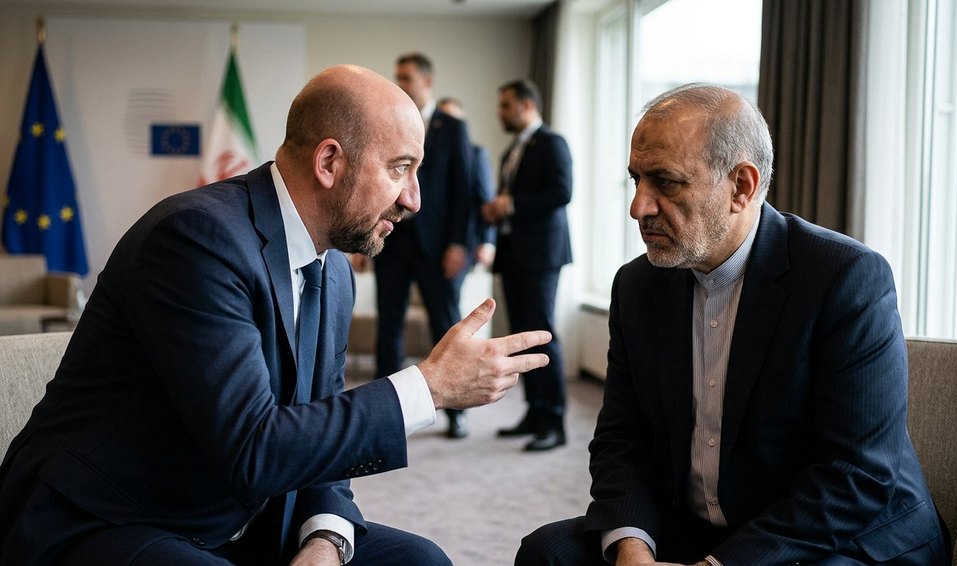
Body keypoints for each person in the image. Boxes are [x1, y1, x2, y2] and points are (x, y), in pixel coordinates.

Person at [0, 64, 552, 566]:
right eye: (400, 169)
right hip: (111, 519)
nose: (414, 199)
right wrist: (428, 387)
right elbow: (253, 449)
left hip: (241, 515)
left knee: (421, 561)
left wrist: (327, 540)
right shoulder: (196, 240)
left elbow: (324, 428)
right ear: (329, 162)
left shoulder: (334, 271)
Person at [516, 84, 950, 565]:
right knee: (546, 553)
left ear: (741, 187)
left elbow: (856, 477)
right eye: (636, 179)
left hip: (839, 534)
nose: (638, 207)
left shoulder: (844, 277)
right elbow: (622, 438)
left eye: (666, 182)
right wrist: (632, 549)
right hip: (704, 525)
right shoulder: (638, 286)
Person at [379, 52, 475, 439]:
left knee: (445, 325)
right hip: (392, 240)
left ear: (427, 81)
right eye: (397, 76)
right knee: (389, 324)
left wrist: (458, 244)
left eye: (406, 77)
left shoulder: (452, 128)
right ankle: (384, 415)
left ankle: (456, 412)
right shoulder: (389, 123)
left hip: (436, 246)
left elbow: (464, 190)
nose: (400, 83)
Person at [483, 79, 572, 452]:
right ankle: (534, 412)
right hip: (514, 254)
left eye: (506, 105)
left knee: (542, 333)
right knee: (522, 335)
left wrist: (512, 204)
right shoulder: (512, 150)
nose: (500, 113)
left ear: (526, 105)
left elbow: (562, 192)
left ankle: (554, 422)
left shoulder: (552, 143)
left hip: (541, 255)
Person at [437, 96, 496, 269]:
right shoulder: (428, 155)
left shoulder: (477, 154)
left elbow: (486, 200)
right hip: (431, 239)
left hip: (463, 240)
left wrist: (487, 241)